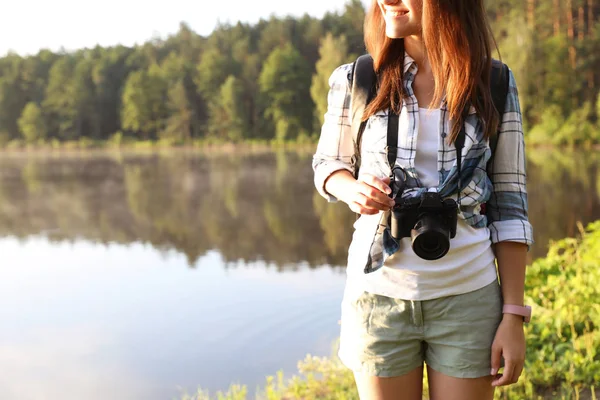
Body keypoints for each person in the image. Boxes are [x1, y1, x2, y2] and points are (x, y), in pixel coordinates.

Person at [312, 1, 534, 399]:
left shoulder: (494, 82)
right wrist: (352, 189)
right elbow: (328, 164)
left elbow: (510, 205)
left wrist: (513, 315)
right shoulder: (358, 78)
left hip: (468, 298)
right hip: (378, 297)